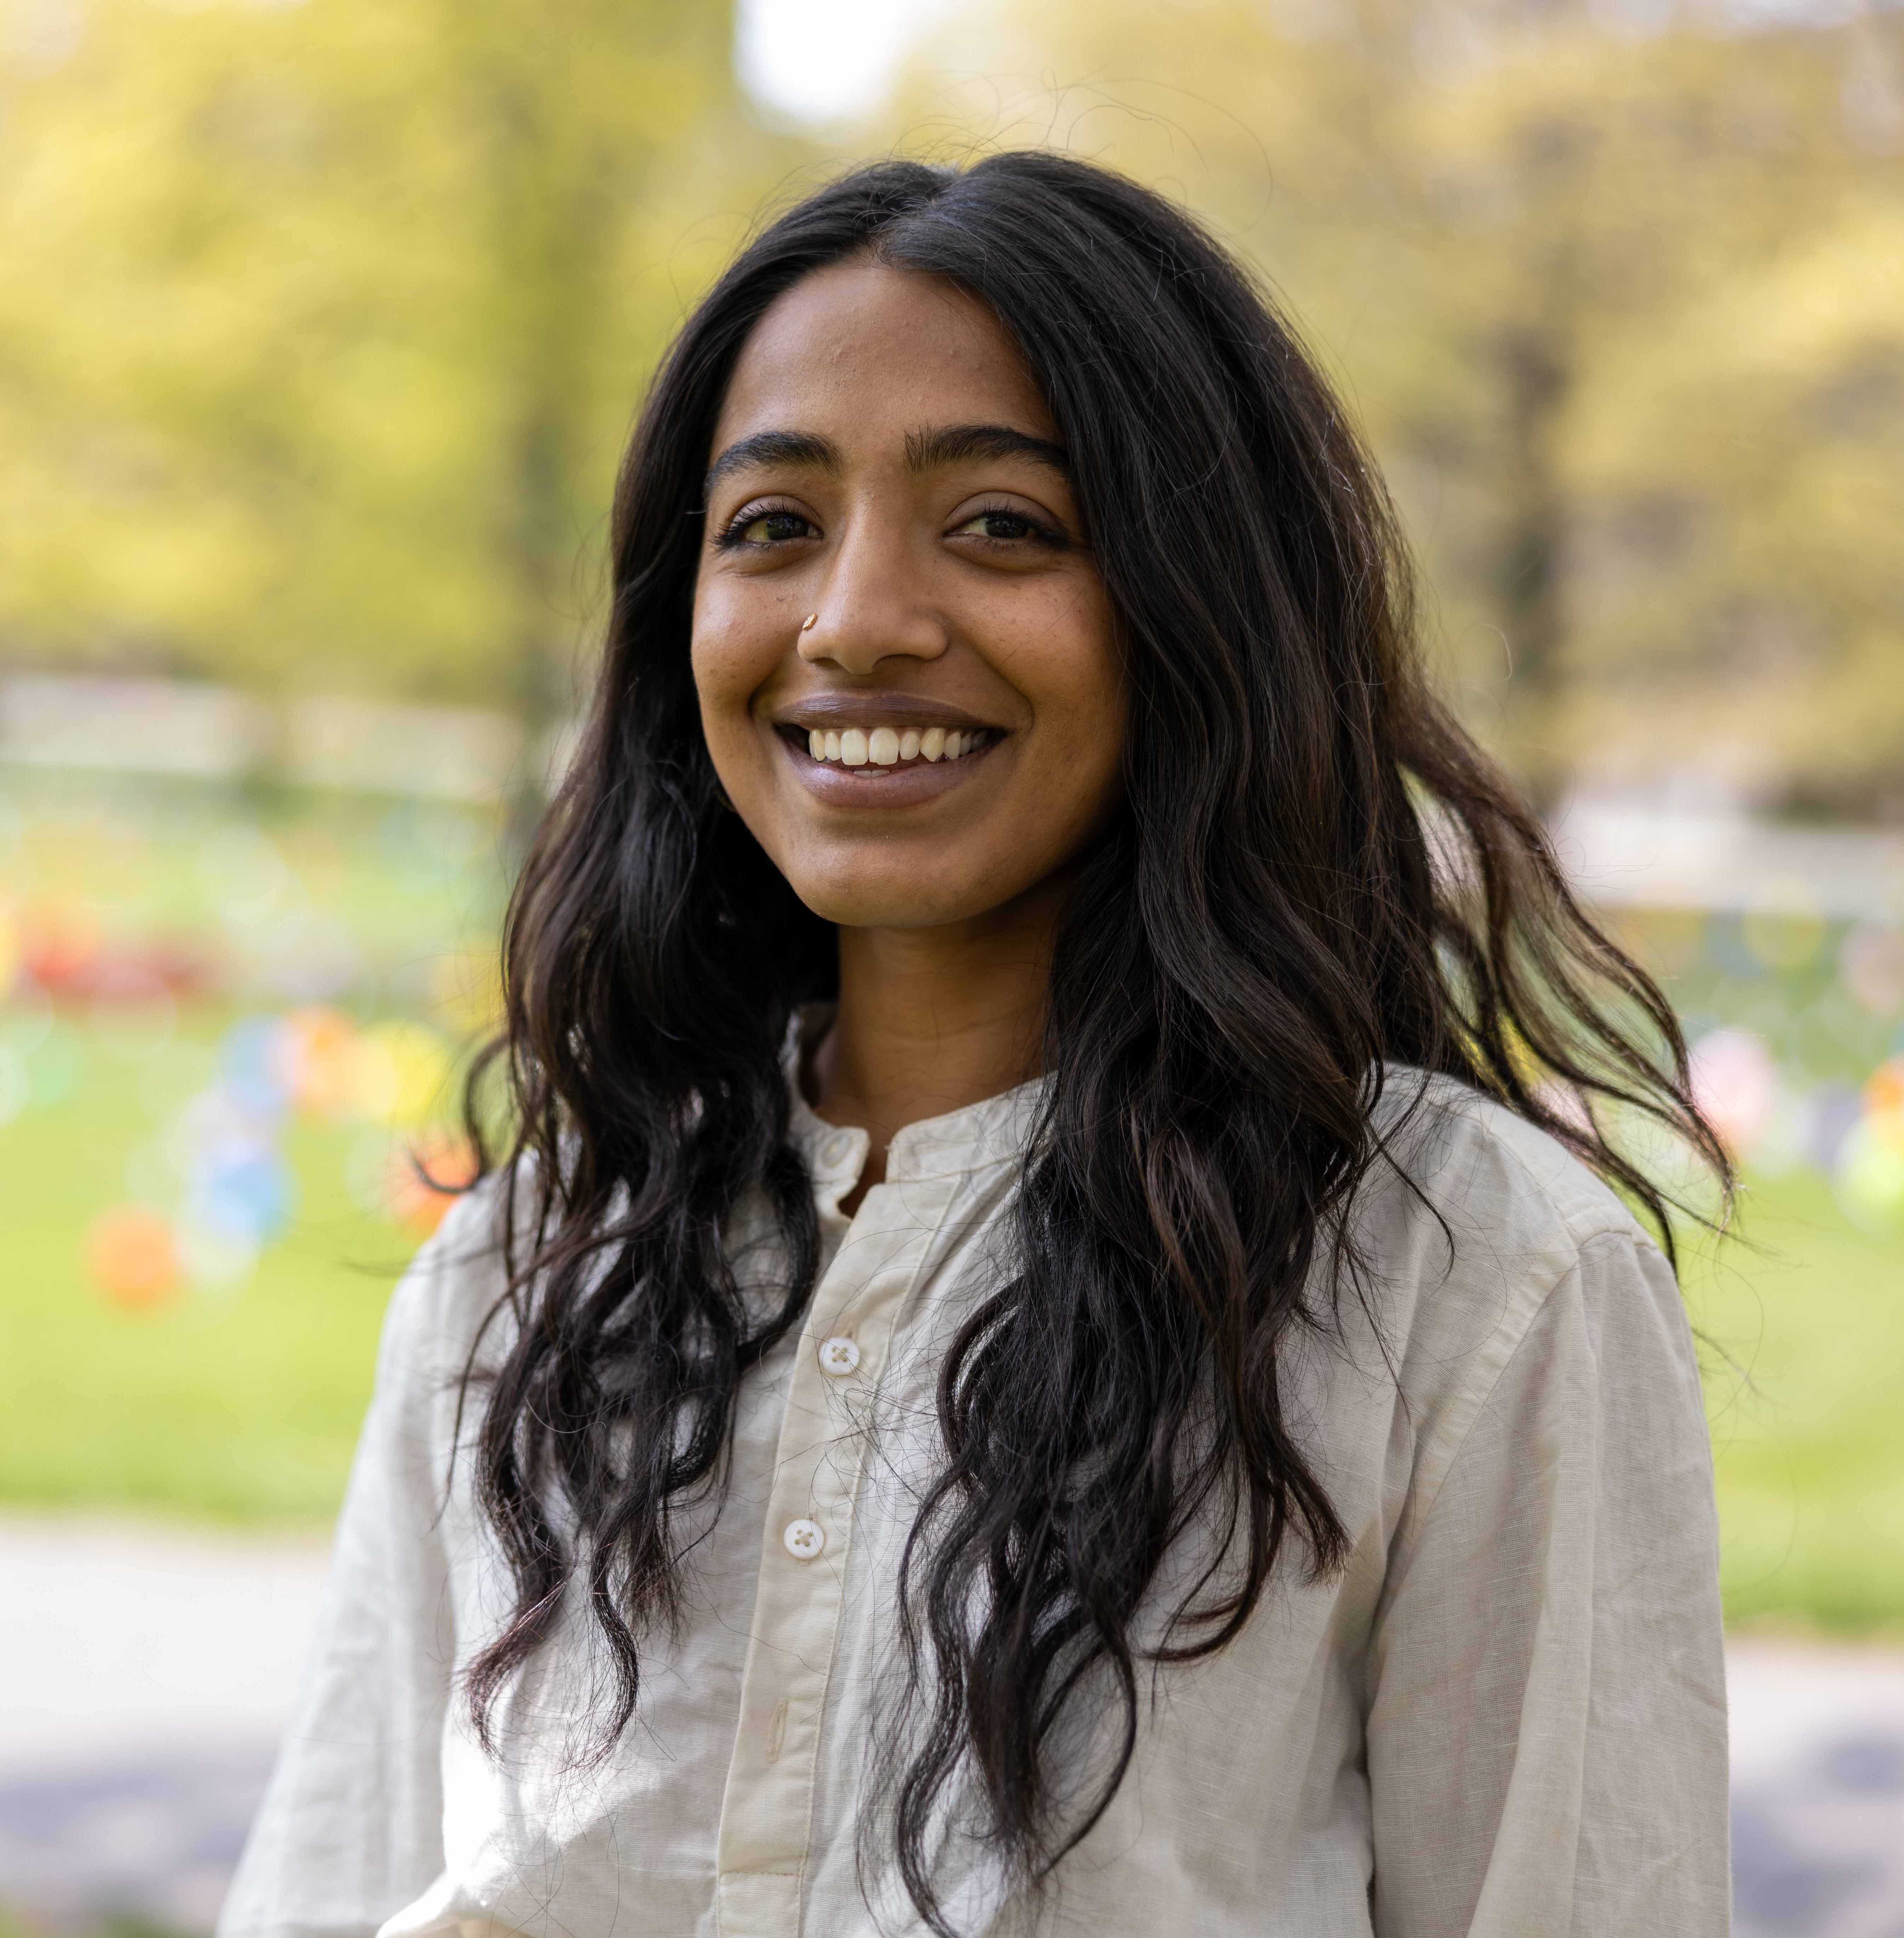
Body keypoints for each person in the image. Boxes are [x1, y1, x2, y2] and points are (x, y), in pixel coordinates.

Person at [219, 151, 1732, 1938]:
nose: (855, 620)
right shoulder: (523, 1276)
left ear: (1201, 610)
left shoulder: (1465, 1286)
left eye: (1003, 524)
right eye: (772, 525)